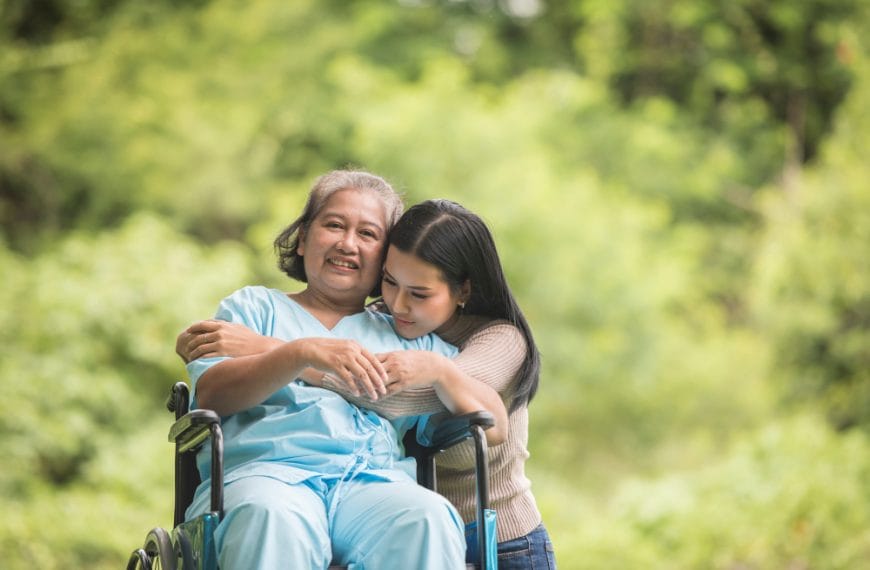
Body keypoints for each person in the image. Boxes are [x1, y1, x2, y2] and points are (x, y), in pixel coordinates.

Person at [179, 199, 557, 569]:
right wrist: (296, 353)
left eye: (367, 233)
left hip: (498, 531)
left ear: (463, 291)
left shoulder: (453, 340)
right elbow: (211, 390)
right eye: (391, 284)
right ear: (303, 237)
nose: (400, 304)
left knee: (425, 517)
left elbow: (486, 422)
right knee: (269, 515)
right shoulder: (254, 308)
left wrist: (291, 354)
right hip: (270, 475)